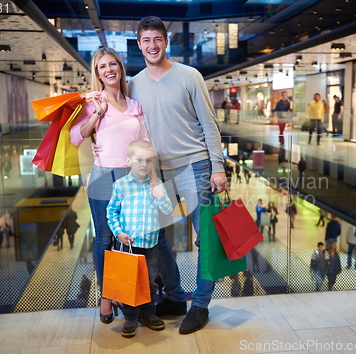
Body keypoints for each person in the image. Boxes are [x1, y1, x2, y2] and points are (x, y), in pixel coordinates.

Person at [126, 16, 228, 335]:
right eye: (146, 40)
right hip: (157, 173)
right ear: (139, 44)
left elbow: (209, 123)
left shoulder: (189, 75)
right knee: (153, 236)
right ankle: (173, 296)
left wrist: (218, 166)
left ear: (166, 42)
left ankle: (200, 304)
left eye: (158, 39)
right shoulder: (134, 83)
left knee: (207, 237)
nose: (152, 45)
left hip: (195, 165)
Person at [70, 47, 151, 326]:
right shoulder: (93, 101)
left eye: (113, 64)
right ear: (97, 73)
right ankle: (106, 296)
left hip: (131, 179)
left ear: (120, 67)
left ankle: (124, 293)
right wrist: (97, 115)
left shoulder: (134, 105)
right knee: (105, 238)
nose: (109, 70)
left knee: (124, 238)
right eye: (102, 66)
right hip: (103, 176)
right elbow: (74, 137)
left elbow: (145, 141)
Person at [107, 139, 173, 338]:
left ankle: (148, 313)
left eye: (149, 161)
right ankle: (130, 317)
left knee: (150, 282)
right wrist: (118, 232)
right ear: (128, 161)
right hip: (128, 245)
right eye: (139, 160)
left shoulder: (156, 184)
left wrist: (160, 195)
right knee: (129, 281)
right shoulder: (121, 185)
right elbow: (111, 212)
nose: (144, 164)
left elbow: (169, 210)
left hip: (150, 244)